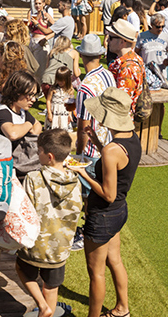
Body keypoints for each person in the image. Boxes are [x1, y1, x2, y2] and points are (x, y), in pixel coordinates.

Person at [73, 88, 139, 317]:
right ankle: (123, 308)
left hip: (103, 214)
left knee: (96, 272)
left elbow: (108, 193)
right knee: (115, 261)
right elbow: (116, 165)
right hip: (119, 211)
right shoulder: (131, 138)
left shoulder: (112, 151)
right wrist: (98, 142)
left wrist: (82, 172)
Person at [19, 129, 82, 317]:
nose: (37, 154)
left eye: (39, 151)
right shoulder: (76, 181)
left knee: (20, 269)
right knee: (52, 287)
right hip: (60, 248)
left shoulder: (33, 178)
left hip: (35, 246)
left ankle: (41, 305)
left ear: (49, 156)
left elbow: (26, 211)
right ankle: (48, 310)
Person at [0, 71, 43, 178]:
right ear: (17, 92)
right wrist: (28, 125)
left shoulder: (23, 112)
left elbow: (38, 128)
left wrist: (26, 126)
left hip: (14, 166)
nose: (33, 100)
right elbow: (13, 133)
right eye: (30, 95)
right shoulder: (3, 111)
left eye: (35, 96)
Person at [76, 34, 115, 157]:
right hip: (110, 144)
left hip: (92, 152)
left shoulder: (85, 87)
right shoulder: (109, 75)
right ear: (100, 55)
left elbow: (84, 128)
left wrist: (79, 154)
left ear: (81, 55)